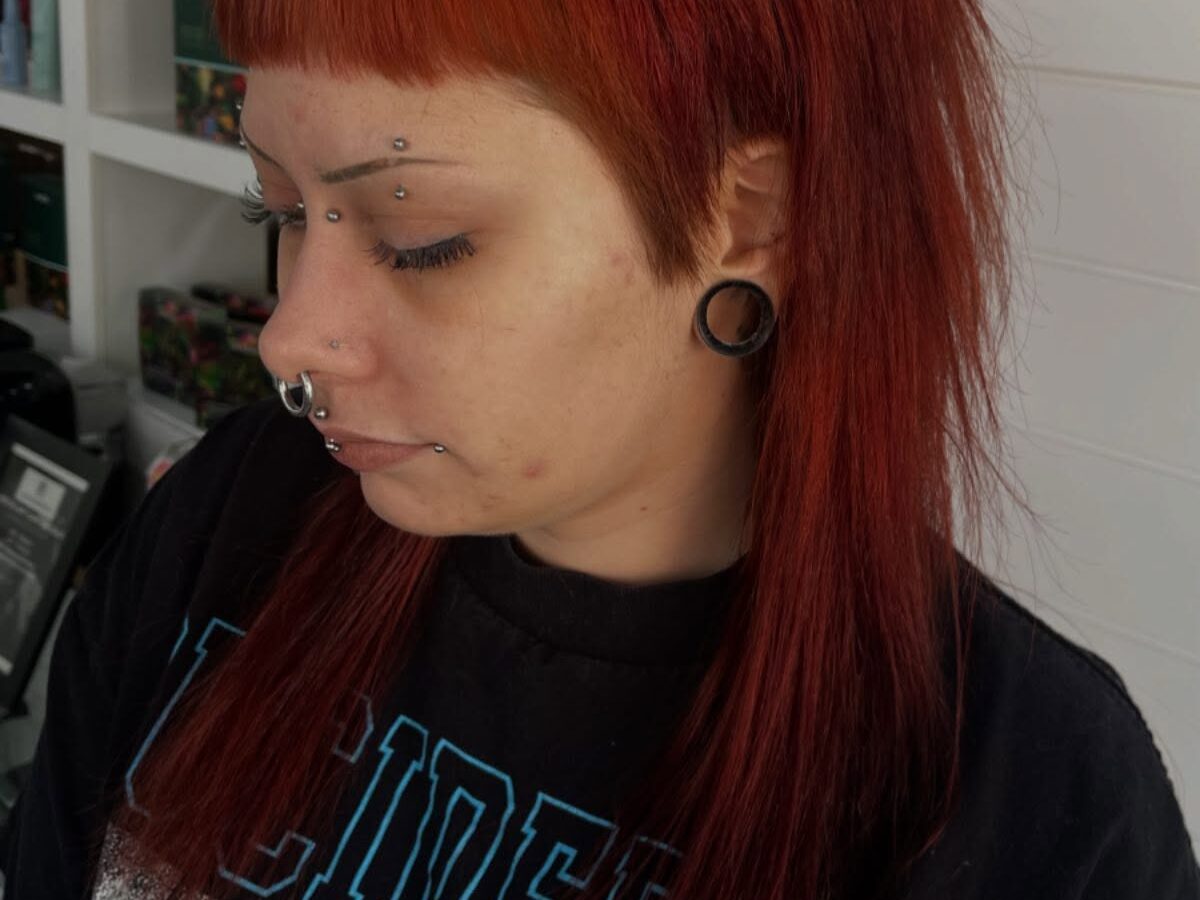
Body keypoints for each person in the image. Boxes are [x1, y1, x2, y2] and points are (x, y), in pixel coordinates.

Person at [2, 1, 1198, 898]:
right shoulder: (231, 515)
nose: (289, 338)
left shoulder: (1027, 801)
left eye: (422, 238)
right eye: (278, 209)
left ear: (752, 216)